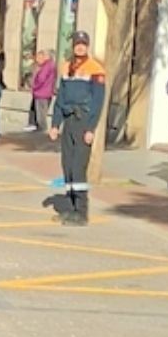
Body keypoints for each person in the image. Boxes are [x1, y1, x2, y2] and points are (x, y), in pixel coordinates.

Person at [47, 32, 106, 226]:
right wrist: (55, 124)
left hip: (83, 122)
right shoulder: (66, 68)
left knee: (79, 168)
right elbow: (60, 99)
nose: (80, 47)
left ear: (87, 46)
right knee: (68, 167)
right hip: (69, 121)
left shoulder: (95, 69)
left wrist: (91, 128)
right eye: (77, 44)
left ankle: (81, 212)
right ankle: (70, 208)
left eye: (83, 44)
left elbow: (97, 102)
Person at [28, 50, 57, 132]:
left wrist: (34, 86)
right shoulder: (51, 65)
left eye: (41, 56)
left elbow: (41, 78)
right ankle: (39, 130)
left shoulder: (47, 66)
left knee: (41, 116)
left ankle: (42, 134)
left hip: (41, 93)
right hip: (45, 93)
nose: (38, 59)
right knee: (40, 114)